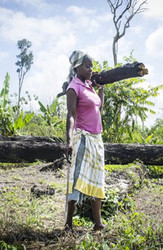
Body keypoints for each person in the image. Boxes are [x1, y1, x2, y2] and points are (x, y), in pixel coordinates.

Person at [63, 51, 106, 231]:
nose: (91, 69)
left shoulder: (89, 85)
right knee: (76, 178)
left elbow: (98, 108)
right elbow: (71, 115)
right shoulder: (74, 87)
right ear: (77, 67)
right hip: (82, 138)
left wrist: (101, 90)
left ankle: (98, 224)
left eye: (91, 66)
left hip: (96, 139)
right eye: (87, 66)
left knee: (98, 178)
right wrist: (69, 140)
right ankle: (68, 224)